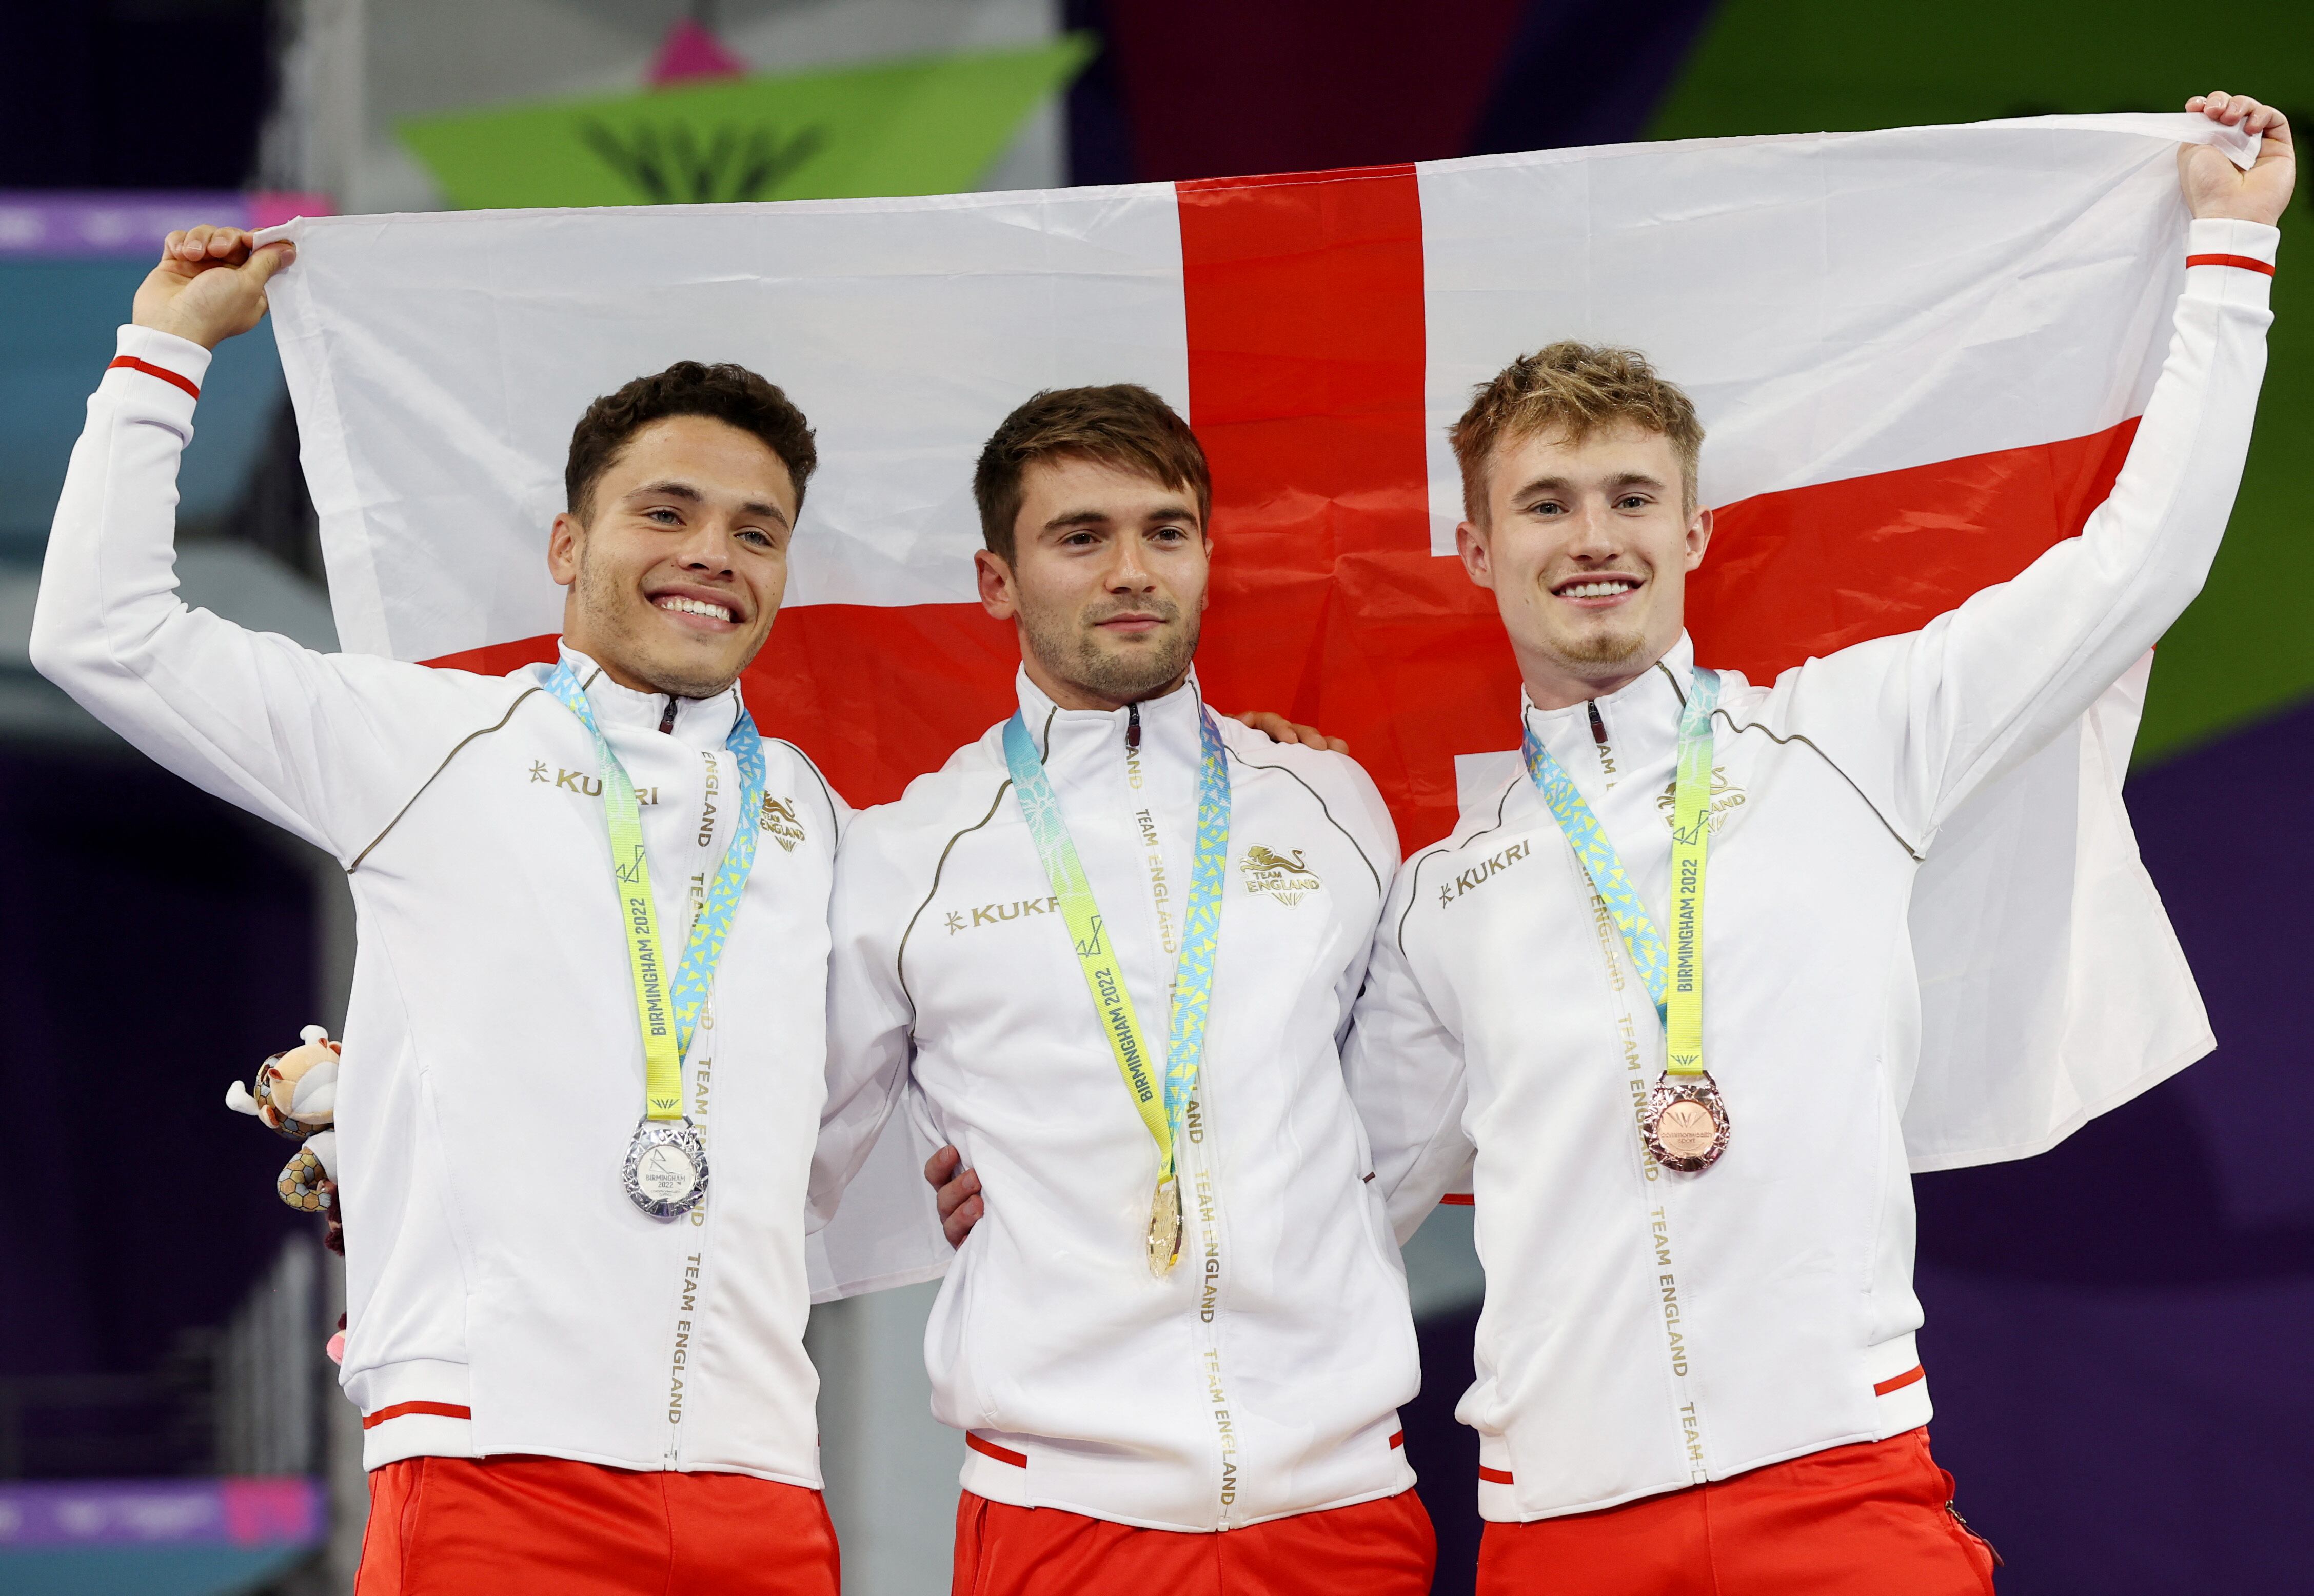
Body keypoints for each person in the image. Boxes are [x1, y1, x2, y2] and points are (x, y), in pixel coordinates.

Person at [1342, 91, 2292, 1594]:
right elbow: (1338, 1208)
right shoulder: (1442, 889)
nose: (1595, 536)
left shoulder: (1855, 737)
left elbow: (2134, 564)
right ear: (1476, 549)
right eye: (1546, 503)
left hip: (1842, 1500)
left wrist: (2230, 258)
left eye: (1632, 496)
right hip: (1555, 1531)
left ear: (1696, 530)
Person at [34, 225, 851, 1593]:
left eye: (754, 531)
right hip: (493, 1471)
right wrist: (163, 350)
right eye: (667, 512)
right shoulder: (428, 739)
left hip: (763, 1485)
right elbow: (101, 633)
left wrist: (394, 1128)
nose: (713, 552)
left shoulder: (810, 813)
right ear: (566, 542)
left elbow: (837, 1092)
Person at [809, 385, 1436, 1595]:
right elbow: (803, 1151)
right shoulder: (909, 850)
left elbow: (1396, 1108)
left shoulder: (1329, 802)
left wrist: (1310, 1227)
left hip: (1346, 1497)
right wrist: (1019, 1209)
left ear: (1209, 552)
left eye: (1166, 530)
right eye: (1081, 535)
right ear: (997, 578)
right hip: (1064, 1510)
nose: (1133, 570)